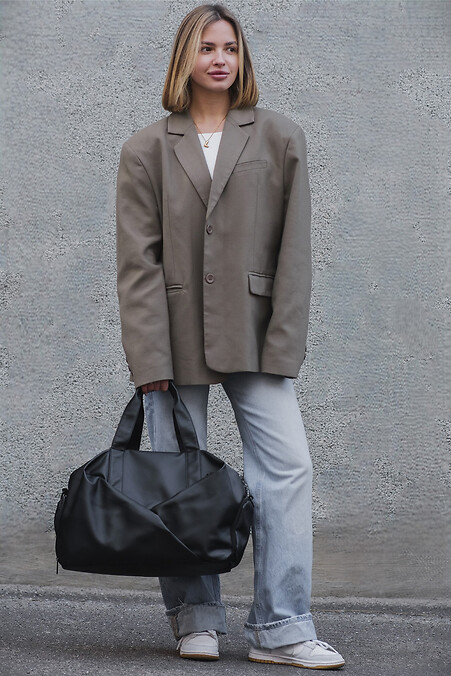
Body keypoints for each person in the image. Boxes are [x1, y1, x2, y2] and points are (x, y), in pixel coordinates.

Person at [116, 3, 345, 670]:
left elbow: (293, 251)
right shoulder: (145, 149)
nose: (219, 59)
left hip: (253, 330)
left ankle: (281, 628)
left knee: (286, 469)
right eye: (206, 47)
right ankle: (195, 618)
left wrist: (285, 341)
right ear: (184, 58)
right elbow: (138, 264)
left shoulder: (279, 136)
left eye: (230, 48)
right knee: (177, 477)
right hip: (173, 335)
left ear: (242, 58)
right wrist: (148, 359)